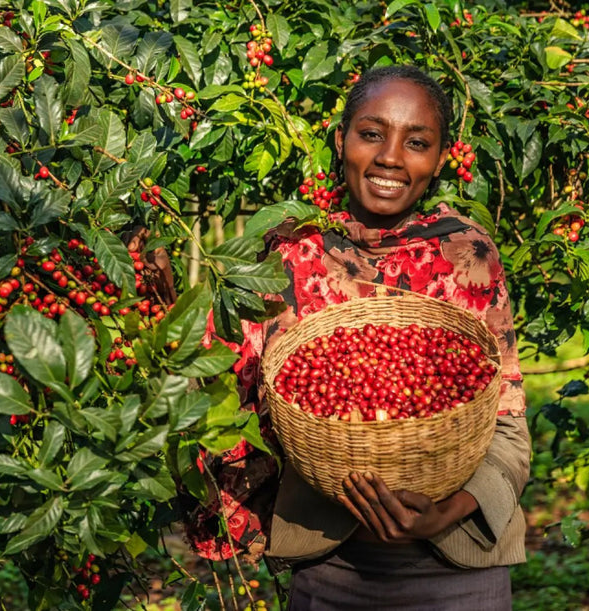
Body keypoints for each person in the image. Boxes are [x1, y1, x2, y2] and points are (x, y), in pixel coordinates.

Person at [186, 65, 530, 609]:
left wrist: (448, 508)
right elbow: (223, 399)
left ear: (441, 159)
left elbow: (508, 431)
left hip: (457, 569)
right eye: (371, 134)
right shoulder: (290, 254)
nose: (391, 157)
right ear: (341, 139)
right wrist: (169, 318)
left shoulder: (467, 254)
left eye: (416, 142)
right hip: (332, 566)